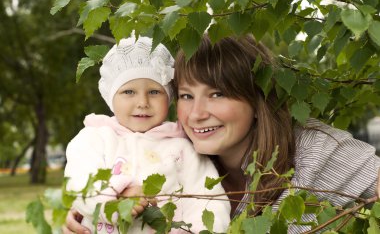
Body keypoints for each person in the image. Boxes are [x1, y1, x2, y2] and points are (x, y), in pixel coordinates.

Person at [64, 34, 380, 234]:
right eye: (187, 96)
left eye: (217, 94)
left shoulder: (311, 151)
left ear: (256, 100)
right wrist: (87, 215)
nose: (198, 113)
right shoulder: (171, 156)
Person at [64, 36, 230, 234]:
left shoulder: (181, 149)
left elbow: (209, 200)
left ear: (168, 97)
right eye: (128, 92)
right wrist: (116, 199)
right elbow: (80, 182)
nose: (142, 102)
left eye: (154, 92)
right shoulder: (94, 139)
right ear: (110, 97)